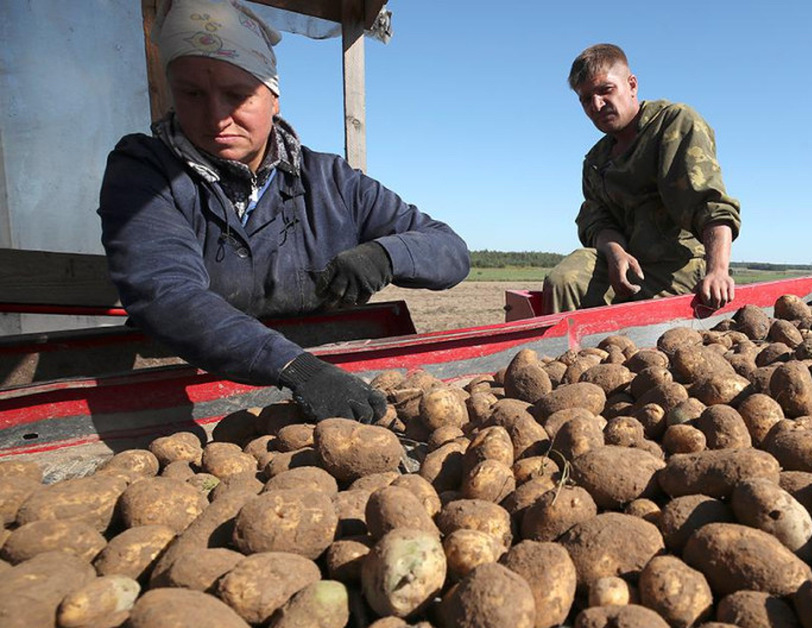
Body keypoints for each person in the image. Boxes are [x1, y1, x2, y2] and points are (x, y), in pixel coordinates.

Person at [97, 0, 469, 423]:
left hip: (329, 372)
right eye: (192, 94)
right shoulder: (145, 172)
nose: (217, 116)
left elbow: (450, 251)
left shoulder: (331, 181)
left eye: (237, 95)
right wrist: (294, 366)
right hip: (187, 374)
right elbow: (167, 293)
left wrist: (384, 255)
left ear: (273, 97)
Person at [542, 43, 741, 314]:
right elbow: (598, 221)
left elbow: (710, 206)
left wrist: (718, 271)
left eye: (605, 90)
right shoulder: (595, 161)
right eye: (586, 99)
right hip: (623, 264)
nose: (596, 105)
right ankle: (567, 354)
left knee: (643, 323)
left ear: (632, 85)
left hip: (676, 266)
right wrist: (616, 253)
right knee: (565, 280)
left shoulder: (673, 125)